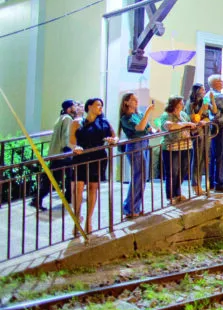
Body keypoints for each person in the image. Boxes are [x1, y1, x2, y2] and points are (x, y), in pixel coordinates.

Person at [70, 97, 118, 235]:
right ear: (89, 106)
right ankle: (77, 219)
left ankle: (89, 220)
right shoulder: (77, 123)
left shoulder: (104, 122)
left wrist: (112, 140)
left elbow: (115, 137)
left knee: (93, 188)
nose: (100, 108)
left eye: (101, 106)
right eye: (98, 105)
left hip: (98, 157)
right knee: (77, 188)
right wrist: (75, 147)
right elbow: (71, 141)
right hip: (81, 157)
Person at [31, 100, 76, 210]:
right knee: (56, 178)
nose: (76, 108)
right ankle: (38, 199)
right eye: (74, 106)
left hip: (57, 153)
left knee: (63, 176)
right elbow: (66, 135)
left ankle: (68, 197)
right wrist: (68, 150)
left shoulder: (60, 118)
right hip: (63, 154)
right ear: (69, 108)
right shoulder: (68, 119)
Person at [118, 92, 155, 218]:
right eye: (133, 99)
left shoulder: (138, 114)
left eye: (136, 99)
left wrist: (154, 130)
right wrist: (148, 112)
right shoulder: (126, 118)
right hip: (135, 146)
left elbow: (148, 127)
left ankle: (136, 206)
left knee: (143, 177)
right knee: (138, 176)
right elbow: (139, 128)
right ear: (126, 102)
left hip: (144, 143)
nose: (136, 101)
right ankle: (129, 207)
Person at [158, 96, 196, 205]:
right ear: (174, 104)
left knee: (183, 170)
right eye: (180, 103)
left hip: (186, 146)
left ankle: (178, 192)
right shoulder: (166, 115)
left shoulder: (183, 115)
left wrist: (196, 125)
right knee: (172, 172)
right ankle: (171, 196)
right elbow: (170, 126)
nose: (182, 105)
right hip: (172, 147)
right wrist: (186, 124)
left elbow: (191, 126)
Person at [185, 83, 210, 195]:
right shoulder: (191, 104)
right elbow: (193, 119)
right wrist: (201, 111)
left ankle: (200, 183)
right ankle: (195, 184)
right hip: (197, 132)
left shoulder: (203, 102)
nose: (204, 91)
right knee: (197, 158)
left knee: (204, 158)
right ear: (197, 91)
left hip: (206, 130)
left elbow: (210, 114)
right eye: (202, 89)